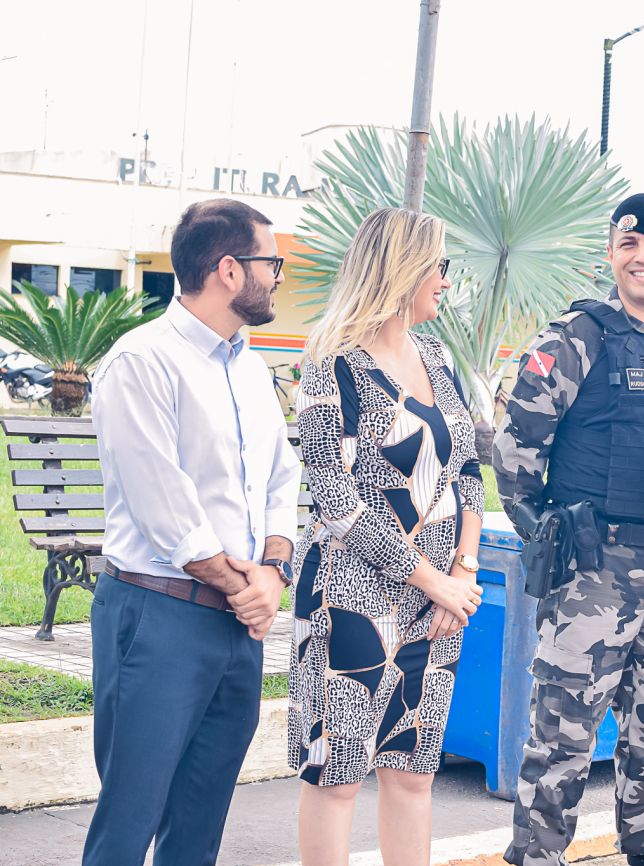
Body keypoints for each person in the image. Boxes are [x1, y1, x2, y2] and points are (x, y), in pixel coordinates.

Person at [493, 193, 644, 866]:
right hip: (593, 571)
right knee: (561, 741)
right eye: (628, 245)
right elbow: (515, 451)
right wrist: (549, 538)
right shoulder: (575, 339)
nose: (642, 257)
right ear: (612, 256)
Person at [84, 198, 303, 865]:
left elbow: (281, 477)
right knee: (128, 824)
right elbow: (165, 507)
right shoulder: (141, 362)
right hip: (158, 616)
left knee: (198, 832)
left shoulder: (249, 367)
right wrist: (250, 589)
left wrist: (274, 572)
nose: (280, 278)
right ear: (230, 270)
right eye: (272, 263)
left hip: (236, 628)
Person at [291, 207, 485, 866]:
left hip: (438, 600)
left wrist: (462, 572)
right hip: (351, 592)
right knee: (338, 773)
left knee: (413, 772)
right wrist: (434, 582)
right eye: (440, 267)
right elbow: (336, 497)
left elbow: (469, 470)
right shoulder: (331, 361)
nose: (447, 282)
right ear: (402, 269)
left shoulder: (436, 356)